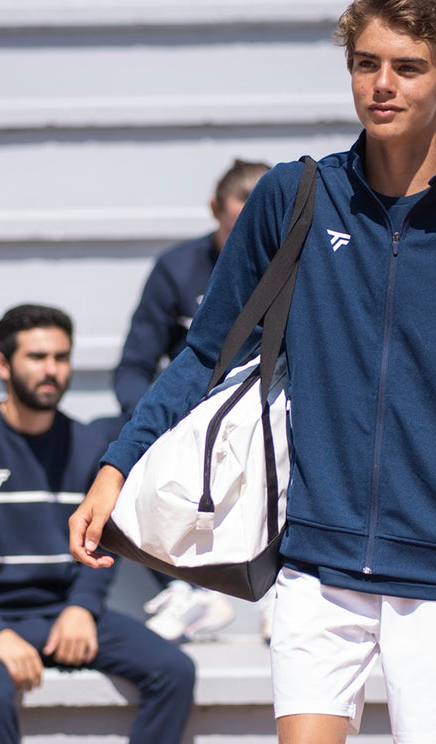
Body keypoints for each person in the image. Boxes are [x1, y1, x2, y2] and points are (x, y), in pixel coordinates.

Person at [70, 0, 436, 744]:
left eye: (407, 68)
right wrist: (116, 467)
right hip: (315, 559)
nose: (382, 84)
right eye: (366, 63)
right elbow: (206, 353)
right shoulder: (293, 197)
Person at [0, 304, 195, 744]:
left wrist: (81, 607)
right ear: (2, 363)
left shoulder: (88, 446)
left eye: (61, 357)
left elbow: (100, 542)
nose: (52, 370)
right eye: (37, 357)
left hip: (61, 613)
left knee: (174, 671)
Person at [113, 158, 271, 643]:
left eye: (259, 213)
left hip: (268, 412)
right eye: (237, 214)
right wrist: (151, 425)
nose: (248, 229)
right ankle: (185, 590)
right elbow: (133, 366)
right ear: (214, 208)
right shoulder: (177, 268)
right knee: (107, 443)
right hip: (190, 416)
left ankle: (284, 589)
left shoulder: (303, 264)